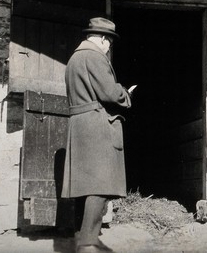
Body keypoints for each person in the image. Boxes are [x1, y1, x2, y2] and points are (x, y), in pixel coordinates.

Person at [62, 17, 135, 253]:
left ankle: (79, 239)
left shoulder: (74, 58)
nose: (109, 47)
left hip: (80, 124)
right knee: (99, 186)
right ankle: (88, 244)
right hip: (97, 125)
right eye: (109, 43)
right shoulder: (95, 57)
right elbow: (110, 93)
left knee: (83, 187)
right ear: (103, 39)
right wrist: (126, 94)